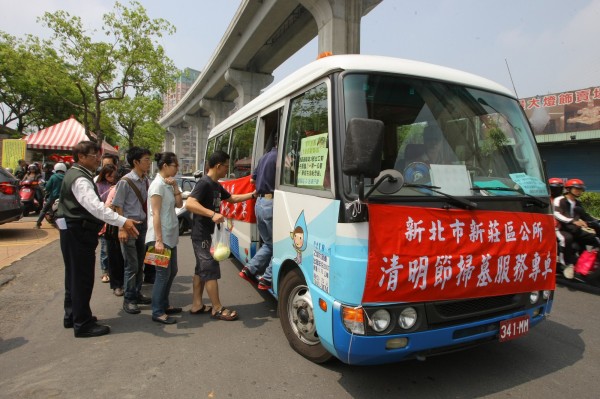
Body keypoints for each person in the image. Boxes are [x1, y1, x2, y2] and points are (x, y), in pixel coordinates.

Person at [56, 140, 139, 338]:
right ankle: (82, 324)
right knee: (81, 278)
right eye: (94, 156)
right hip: (78, 232)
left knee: (73, 276)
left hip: (74, 231)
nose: (97, 159)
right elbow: (96, 208)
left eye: (97, 155)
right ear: (81, 157)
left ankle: (73, 315)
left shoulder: (79, 174)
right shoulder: (80, 179)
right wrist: (122, 221)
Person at [186, 150, 255, 320]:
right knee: (210, 270)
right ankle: (217, 308)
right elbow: (190, 203)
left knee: (200, 270)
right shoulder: (205, 183)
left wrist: (253, 195)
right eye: (226, 166)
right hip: (202, 234)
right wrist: (212, 214)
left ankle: (197, 305)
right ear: (218, 166)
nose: (227, 169)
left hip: (208, 233)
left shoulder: (216, 185)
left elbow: (232, 199)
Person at [112, 147, 153, 315]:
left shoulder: (145, 180)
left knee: (141, 262)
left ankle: (136, 293)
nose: (149, 163)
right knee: (131, 265)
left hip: (142, 225)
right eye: (146, 160)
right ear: (135, 162)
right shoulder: (125, 181)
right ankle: (129, 299)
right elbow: (117, 205)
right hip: (129, 226)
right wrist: (121, 227)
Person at [146, 152, 184, 324]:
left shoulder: (168, 184)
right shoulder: (157, 186)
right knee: (162, 274)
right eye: (175, 165)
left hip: (170, 235)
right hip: (159, 237)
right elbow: (155, 214)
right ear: (165, 166)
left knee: (172, 271)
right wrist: (159, 240)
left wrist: (176, 186)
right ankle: (157, 311)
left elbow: (179, 204)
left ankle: (164, 304)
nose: (177, 168)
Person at [239, 141, 277, 290]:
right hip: (271, 202)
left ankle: (250, 269)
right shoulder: (280, 158)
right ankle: (266, 279)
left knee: (269, 243)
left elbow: (252, 180)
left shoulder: (264, 157)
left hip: (259, 202)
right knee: (279, 245)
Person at [553, 178, 600, 279]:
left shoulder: (577, 203)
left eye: (581, 189)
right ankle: (566, 265)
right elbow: (557, 214)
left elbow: (585, 216)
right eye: (576, 189)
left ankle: (589, 264)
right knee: (566, 239)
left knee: (594, 238)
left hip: (574, 229)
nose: (579, 191)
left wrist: (596, 222)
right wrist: (572, 221)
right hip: (561, 229)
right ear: (568, 189)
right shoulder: (560, 200)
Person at [96, 164, 118, 283]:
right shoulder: (99, 185)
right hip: (105, 219)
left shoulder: (118, 184)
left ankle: (114, 271)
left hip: (116, 218)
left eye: (113, 176)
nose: (112, 178)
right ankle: (105, 271)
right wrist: (108, 194)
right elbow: (97, 201)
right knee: (105, 248)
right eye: (109, 176)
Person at [35, 162, 67, 228]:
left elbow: (47, 187)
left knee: (44, 210)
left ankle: (38, 224)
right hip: (64, 198)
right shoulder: (67, 177)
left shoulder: (53, 177)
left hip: (53, 197)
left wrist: (46, 187)